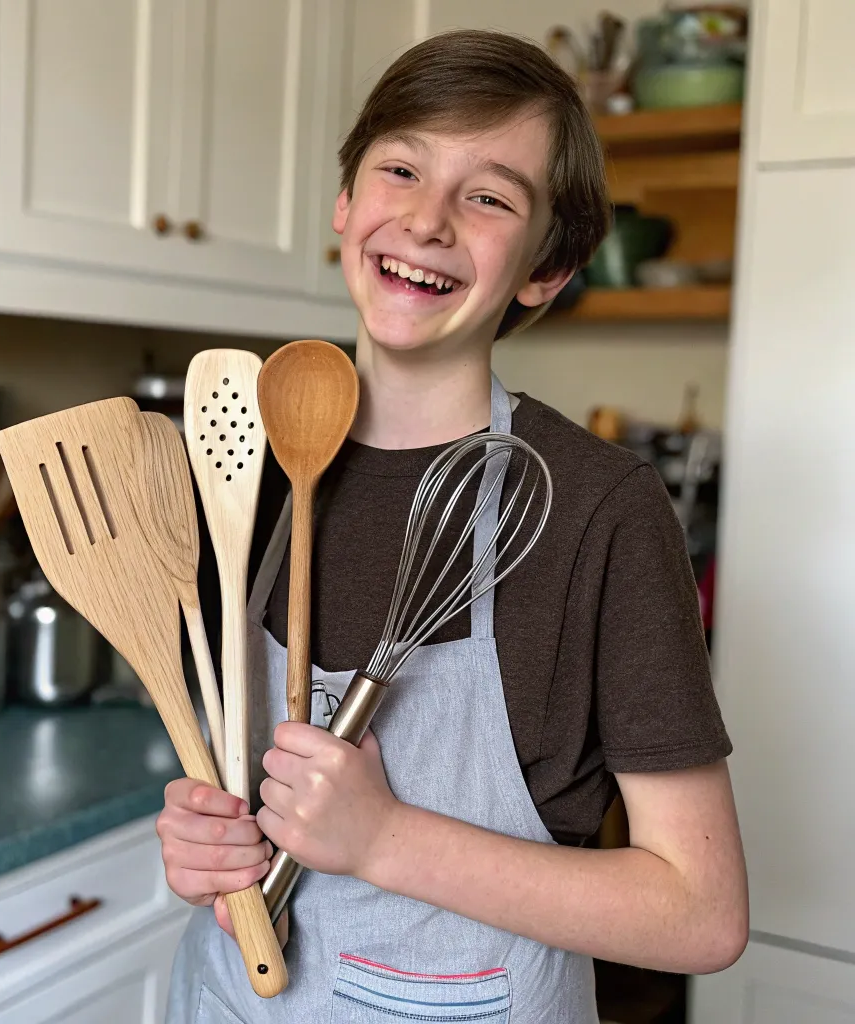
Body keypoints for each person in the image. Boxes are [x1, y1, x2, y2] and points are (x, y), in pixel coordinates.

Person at [159, 29, 748, 1023]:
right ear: (345, 203)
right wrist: (203, 841)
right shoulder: (240, 470)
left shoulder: (597, 507)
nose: (426, 220)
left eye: (488, 196)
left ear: (544, 269)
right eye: (401, 168)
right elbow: (236, 788)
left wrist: (385, 838)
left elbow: (701, 912)